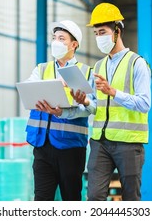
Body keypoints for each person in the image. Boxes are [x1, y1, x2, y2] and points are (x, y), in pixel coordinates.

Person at [73, 3, 151, 201]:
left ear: (117, 31)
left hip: (129, 143)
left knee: (130, 199)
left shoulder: (137, 63)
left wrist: (113, 92)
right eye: (96, 33)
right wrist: (85, 102)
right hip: (101, 142)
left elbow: (144, 103)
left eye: (103, 32)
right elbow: (97, 106)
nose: (99, 37)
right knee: (94, 196)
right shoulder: (98, 66)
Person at [24, 20, 96, 201]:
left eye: (61, 38)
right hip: (42, 145)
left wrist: (83, 102)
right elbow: (29, 90)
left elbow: (93, 107)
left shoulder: (86, 73)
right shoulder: (41, 69)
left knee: (71, 199)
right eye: (54, 37)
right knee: (41, 200)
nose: (55, 42)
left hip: (70, 148)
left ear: (74, 44)